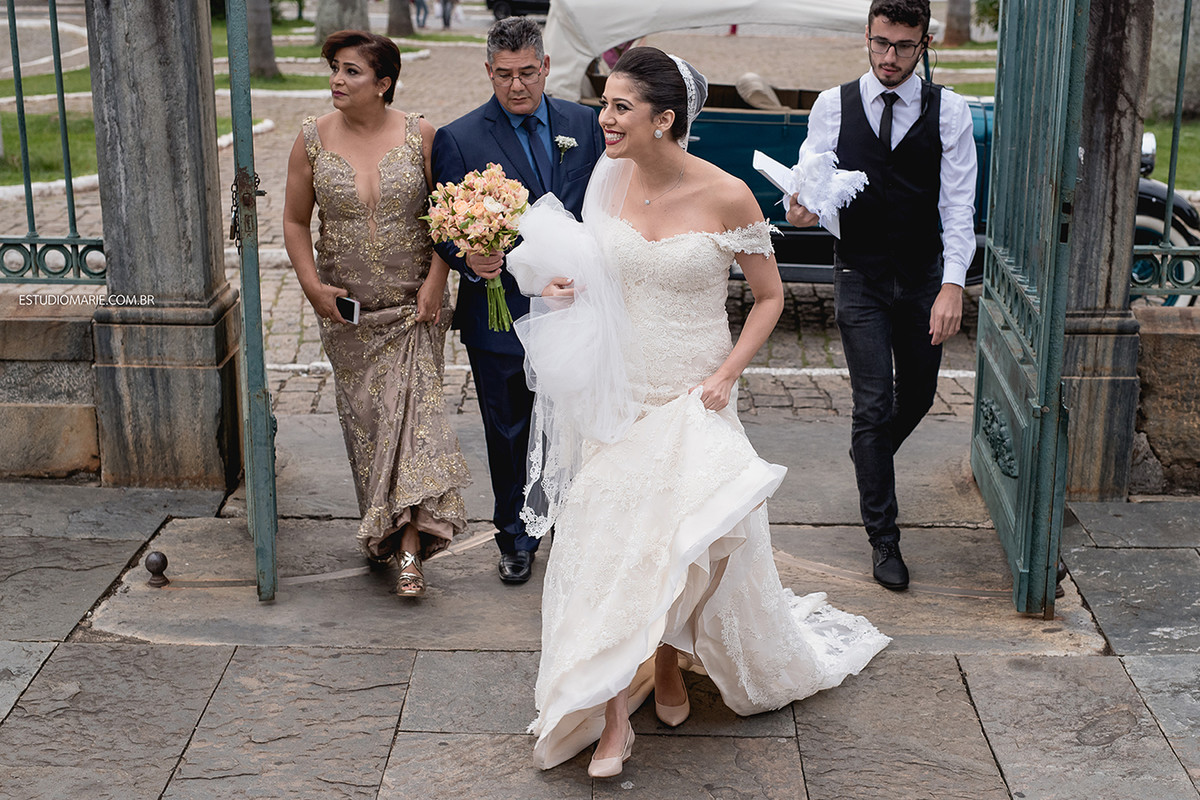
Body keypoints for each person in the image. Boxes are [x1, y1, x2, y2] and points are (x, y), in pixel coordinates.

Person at [509, 47, 890, 778]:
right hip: (618, 397)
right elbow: (595, 277)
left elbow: (771, 298)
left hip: (693, 392)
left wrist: (723, 376)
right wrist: (560, 292)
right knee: (608, 555)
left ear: (665, 119)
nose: (605, 119)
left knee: (692, 543)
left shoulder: (727, 195)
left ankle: (671, 654)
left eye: (621, 107)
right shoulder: (605, 181)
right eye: (605, 104)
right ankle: (615, 718)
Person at [786, 0, 977, 591]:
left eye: (903, 46)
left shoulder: (950, 112)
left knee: (917, 393)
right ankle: (884, 538)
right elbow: (809, 193)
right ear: (867, 38)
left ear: (925, 44)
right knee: (872, 404)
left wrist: (952, 284)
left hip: (922, 278)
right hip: (859, 275)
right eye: (880, 43)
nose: (889, 58)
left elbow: (958, 206)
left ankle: (869, 456)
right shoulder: (831, 105)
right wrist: (800, 210)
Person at [282, 30, 470, 598]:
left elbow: (448, 215)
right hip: (349, 317)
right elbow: (294, 222)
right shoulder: (310, 141)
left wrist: (438, 282)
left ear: (383, 83)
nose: (337, 80)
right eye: (335, 70)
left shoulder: (423, 137)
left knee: (413, 425)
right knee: (369, 428)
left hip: (416, 310)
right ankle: (383, 528)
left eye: (351, 72)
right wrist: (314, 289)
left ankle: (412, 550)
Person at [431, 17, 605, 584]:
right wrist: (471, 259)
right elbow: (441, 227)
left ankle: (578, 527)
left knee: (578, 423)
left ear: (546, 67)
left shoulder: (588, 123)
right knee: (508, 429)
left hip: (581, 308)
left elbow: (608, 203)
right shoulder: (459, 138)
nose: (516, 86)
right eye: (503, 75)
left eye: (527, 72)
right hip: (500, 313)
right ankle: (516, 534)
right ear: (488, 72)